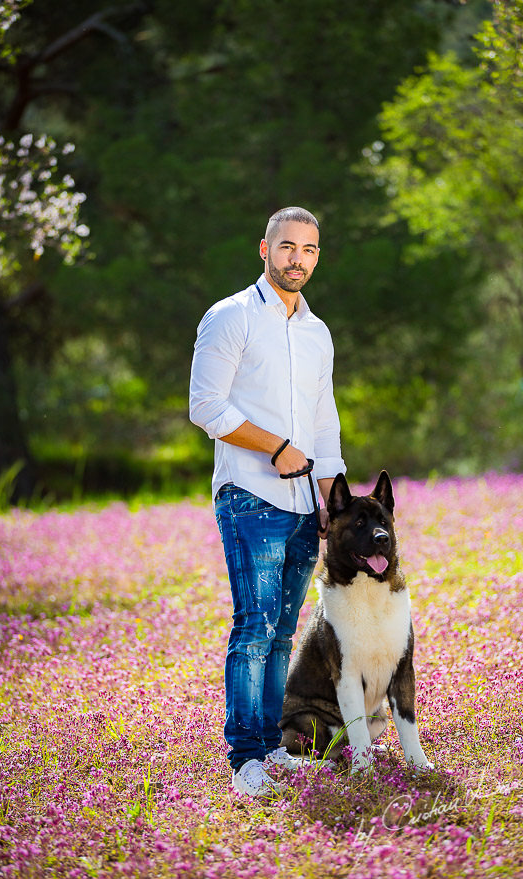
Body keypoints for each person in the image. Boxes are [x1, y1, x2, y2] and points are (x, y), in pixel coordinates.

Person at [189, 206, 346, 799]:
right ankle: (245, 758)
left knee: (283, 631)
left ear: (316, 257)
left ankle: (277, 747)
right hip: (249, 496)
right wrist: (275, 446)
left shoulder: (317, 332)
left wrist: (332, 498)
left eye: (307, 250)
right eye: (287, 247)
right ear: (264, 249)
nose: (296, 259)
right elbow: (205, 406)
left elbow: (324, 422)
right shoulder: (229, 318)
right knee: (253, 626)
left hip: (306, 503)